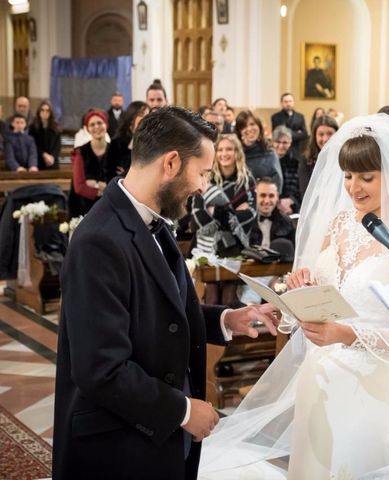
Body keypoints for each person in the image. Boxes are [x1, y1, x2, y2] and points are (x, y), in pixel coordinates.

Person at [197, 113, 389, 479]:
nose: (353, 187)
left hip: (374, 386)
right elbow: (322, 294)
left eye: (366, 177)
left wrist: (347, 334)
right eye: (347, 176)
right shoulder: (339, 223)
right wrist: (303, 286)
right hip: (320, 373)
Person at [52, 106, 278, 480]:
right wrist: (184, 411)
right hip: (117, 446)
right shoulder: (98, 241)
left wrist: (226, 318)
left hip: (148, 437)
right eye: (202, 172)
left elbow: (160, 310)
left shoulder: (151, 219)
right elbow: (101, 369)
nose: (203, 186)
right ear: (171, 163)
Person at [68, 110, 110, 217]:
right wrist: (103, 187)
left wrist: (94, 184)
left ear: (106, 125)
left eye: (100, 123)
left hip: (112, 207)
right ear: (87, 129)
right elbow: (79, 187)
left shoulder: (116, 150)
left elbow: (121, 183)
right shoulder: (80, 152)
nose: (96, 127)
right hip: (85, 208)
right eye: (92, 124)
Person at [235, 110, 283, 190]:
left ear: (259, 127)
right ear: (239, 132)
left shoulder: (270, 153)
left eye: (252, 124)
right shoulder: (235, 153)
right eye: (244, 126)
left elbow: (277, 183)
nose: (249, 129)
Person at [104, 101, 150, 179]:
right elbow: (109, 173)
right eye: (141, 115)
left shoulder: (152, 141)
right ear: (132, 117)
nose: (146, 118)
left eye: (148, 115)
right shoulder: (117, 142)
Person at [299, 114, 339, 198]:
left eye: (330, 134)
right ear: (314, 137)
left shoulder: (344, 157)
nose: (325, 139)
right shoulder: (306, 159)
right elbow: (305, 192)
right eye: (321, 134)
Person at [271, 93, 308, 163]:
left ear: (293, 102)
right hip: (281, 151)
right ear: (282, 103)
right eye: (286, 101)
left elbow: (304, 134)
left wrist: (287, 134)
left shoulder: (300, 117)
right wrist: (296, 133)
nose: (288, 104)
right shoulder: (275, 117)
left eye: (290, 101)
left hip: (296, 151)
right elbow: (276, 135)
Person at [272, 125, 300, 214]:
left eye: (285, 142)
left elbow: (297, 187)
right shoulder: (267, 162)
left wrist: (291, 201)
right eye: (278, 142)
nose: (281, 146)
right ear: (272, 142)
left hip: (290, 207)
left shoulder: (296, 162)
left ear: (290, 143)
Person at [28, 100, 61, 170]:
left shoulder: (55, 127)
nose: (44, 112)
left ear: (50, 112)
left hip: (52, 161)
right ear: (39, 112)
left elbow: (57, 145)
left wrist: (52, 157)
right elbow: (33, 144)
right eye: (42, 110)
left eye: (47, 110)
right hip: (39, 160)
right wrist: (44, 155)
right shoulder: (33, 127)